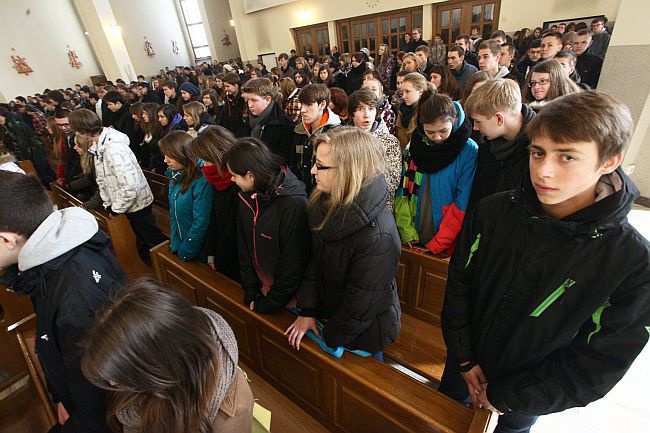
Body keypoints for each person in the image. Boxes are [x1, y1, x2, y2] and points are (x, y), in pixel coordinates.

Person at [440, 90, 650, 433]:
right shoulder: (494, 212)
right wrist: (463, 356)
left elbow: (599, 363)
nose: (544, 171)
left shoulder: (631, 262)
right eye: (538, 153)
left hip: (527, 393)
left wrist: (508, 397)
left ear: (609, 161)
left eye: (567, 157)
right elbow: (460, 283)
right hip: (462, 364)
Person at [1, 170, 126, 433]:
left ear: (6, 240)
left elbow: (99, 402)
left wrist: (77, 409)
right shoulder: (49, 259)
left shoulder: (76, 299)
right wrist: (62, 397)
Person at [81, 278, 254, 433]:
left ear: (158, 365)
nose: (112, 383)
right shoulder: (167, 338)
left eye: (121, 373)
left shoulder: (229, 414)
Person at [285, 127, 401, 357]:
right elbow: (314, 261)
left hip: (363, 332)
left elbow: (360, 305)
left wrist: (328, 337)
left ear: (349, 171)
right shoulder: (322, 201)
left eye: (321, 165)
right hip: (328, 314)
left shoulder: (379, 235)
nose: (312, 170)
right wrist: (308, 310)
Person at [224, 138, 311, 314]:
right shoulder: (246, 196)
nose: (232, 180)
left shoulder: (293, 205)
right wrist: (250, 289)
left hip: (290, 302)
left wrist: (271, 303)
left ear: (250, 176)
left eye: (234, 175)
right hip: (262, 291)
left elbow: (294, 264)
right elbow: (244, 247)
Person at [69, 109, 167, 264]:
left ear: (82, 130)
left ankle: (166, 266)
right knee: (142, 238)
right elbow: (103, 178)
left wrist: (116, 208)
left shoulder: (114, 149)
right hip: (126, 204)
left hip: (136, 204)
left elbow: (130, 187)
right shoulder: (99, 145)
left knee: (151, 237)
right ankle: (154, 263)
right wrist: (109, 203)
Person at [395, 90, 477, 255]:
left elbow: (462, 202)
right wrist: (406, 231)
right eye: (430, 132)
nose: (437, 137)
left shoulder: (468, 149)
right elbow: (402, 190)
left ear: (453, 121)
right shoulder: (415, 146)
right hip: (413, 233)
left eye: (443, 131)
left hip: (447, 237)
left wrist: (439, 243)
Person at [464, 78, 536, 208]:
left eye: (478, 121)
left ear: (499, 119)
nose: (474, 127)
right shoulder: (487, 145)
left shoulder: (539, 152)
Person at [192, 126, 241, 281]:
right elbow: (213, 217)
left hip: (237, 258)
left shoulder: (238, 183)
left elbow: (233, 229)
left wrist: (219, 260)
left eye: (206, 160)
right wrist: (211, 253)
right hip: (219, 252)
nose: (204, 166)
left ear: (219, 156)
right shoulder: (217, 179)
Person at [159, 131, 213, 262]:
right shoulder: (175, 175)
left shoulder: (201, 180)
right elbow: (173, 212)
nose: (165, 160)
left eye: (169, 156)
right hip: (182, 242)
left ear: (182, 154)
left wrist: (186, 250)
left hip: (197, 249)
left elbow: (200, 223)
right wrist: (175, 240)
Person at [349, 88, 401, 211]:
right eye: (361, 109)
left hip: (379, 208)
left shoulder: (389, 142)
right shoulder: (343, 141)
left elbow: (392, 181)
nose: (367, 114)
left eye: (371, 109)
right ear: (352, 113)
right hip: (349, 206)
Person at [291, 84, 341, 193]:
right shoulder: (298, 131)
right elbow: (294, 164)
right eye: (302, 104)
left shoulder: (336, 134)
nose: (303, 110)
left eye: (308, 104)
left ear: (322, 104)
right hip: (301, 193)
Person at [240, 77, 295, 162]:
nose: (249, 105)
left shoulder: (284, 125)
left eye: (254, 100)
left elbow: (284, 159)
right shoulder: (248, 120)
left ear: (267, 99)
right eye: (247, 100)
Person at [0, 107, 55, 185]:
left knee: (43, 171)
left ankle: (54, 187)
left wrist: (24, 158)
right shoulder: (8, 123)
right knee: (44, 170)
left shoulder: (13, 124)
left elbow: (22, 143)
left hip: (34, 151)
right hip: (33, 151)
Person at [395, 72, 434, 149]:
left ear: (420, 92)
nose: (403, 96)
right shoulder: (402, 111)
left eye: (407, 92)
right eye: (402, 92)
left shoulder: (427, 114)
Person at [220, 72, 247, 136]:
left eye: (227, 86)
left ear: (236, 86)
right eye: (225, 86)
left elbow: (244, 122)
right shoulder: (228, 98)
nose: (225, 89)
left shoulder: (244, 99)